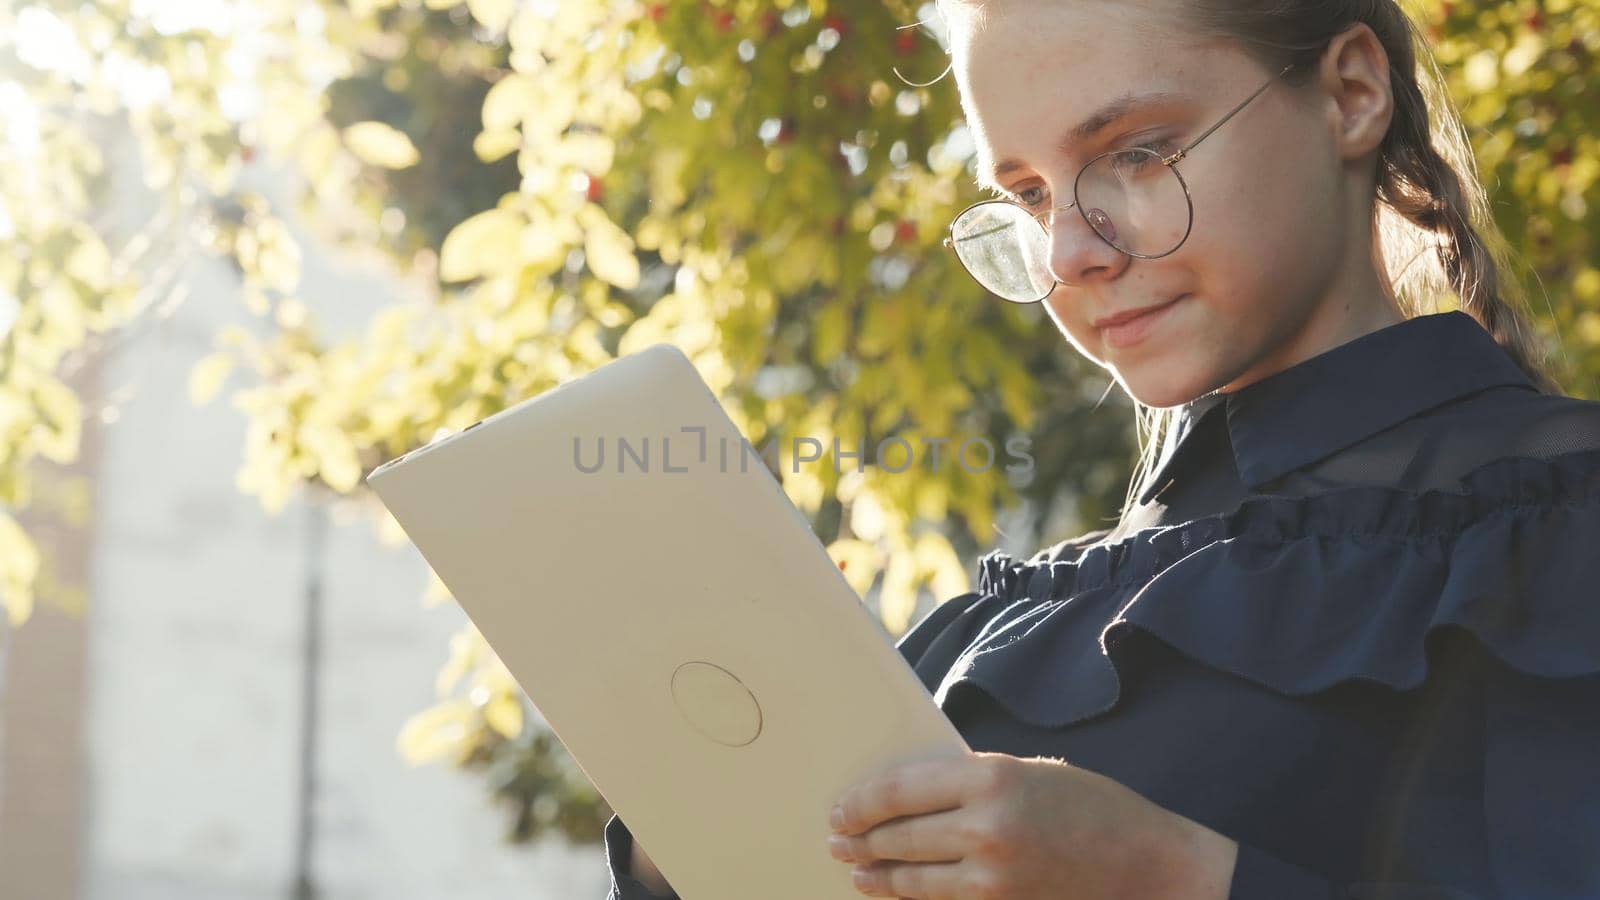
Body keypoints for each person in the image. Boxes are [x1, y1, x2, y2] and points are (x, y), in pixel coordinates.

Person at [603, 0, 1600, 897]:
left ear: (1349, 93)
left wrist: (1164, 875)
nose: (1071, 254)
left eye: (1137, 151)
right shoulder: (993, 628)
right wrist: (688, 850)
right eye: (1030, 195)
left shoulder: (1560, 528)